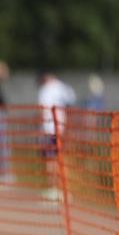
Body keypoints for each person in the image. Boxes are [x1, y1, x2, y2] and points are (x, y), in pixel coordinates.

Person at [37, 70, 76, 200]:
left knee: (50, 159)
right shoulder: (63, 87)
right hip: (61, 128)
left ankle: (52, 188)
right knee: (60, 158)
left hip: (48, 128)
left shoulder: (45, 89)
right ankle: (63, 189)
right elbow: (71, 102)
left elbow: (42, 109)